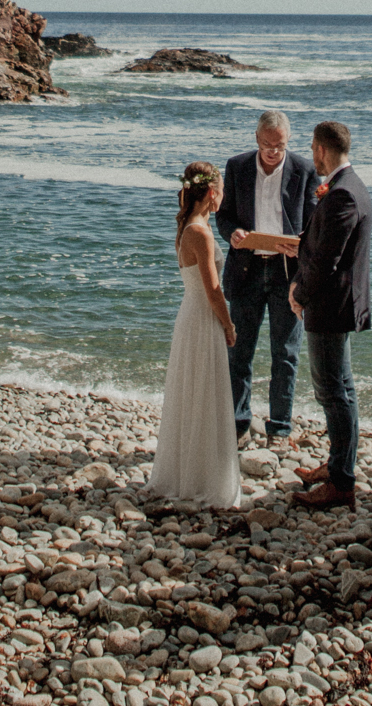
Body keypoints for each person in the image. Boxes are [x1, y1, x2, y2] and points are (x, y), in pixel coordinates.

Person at [289, 120, 371, 510]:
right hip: (338, 304)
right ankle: (341, 464)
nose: (312, 156)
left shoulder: (342, 194)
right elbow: (321, 247)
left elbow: (327, 260)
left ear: (322, 149)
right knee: (343, 388)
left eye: (312, 148)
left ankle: (342, 482)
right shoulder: (348, 186)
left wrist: (299, 293)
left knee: (332, 392)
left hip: (330, 306)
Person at [219, 110, 315, 443]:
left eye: (280, 144)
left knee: (285, 353)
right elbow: (224, 216)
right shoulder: (237, 166)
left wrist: (300, 246)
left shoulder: (304, 170)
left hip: (285, 271)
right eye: (267, 144)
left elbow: (314, 226)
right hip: (246, 268)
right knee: (239, 350)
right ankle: (238, 424)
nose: (273, 151)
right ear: (256, 138)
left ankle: (279, 427)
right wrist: (231, 234)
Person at [149, 162, 242, 507]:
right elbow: (213, 289)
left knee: (196, 390)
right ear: (212, 193)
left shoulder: (188, 226)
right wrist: (229, 324)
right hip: (202, 316)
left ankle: (189, 469)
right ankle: (202, 477)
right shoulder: (199, 232)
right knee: (205, 388)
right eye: (221, 191)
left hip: (190, 314)